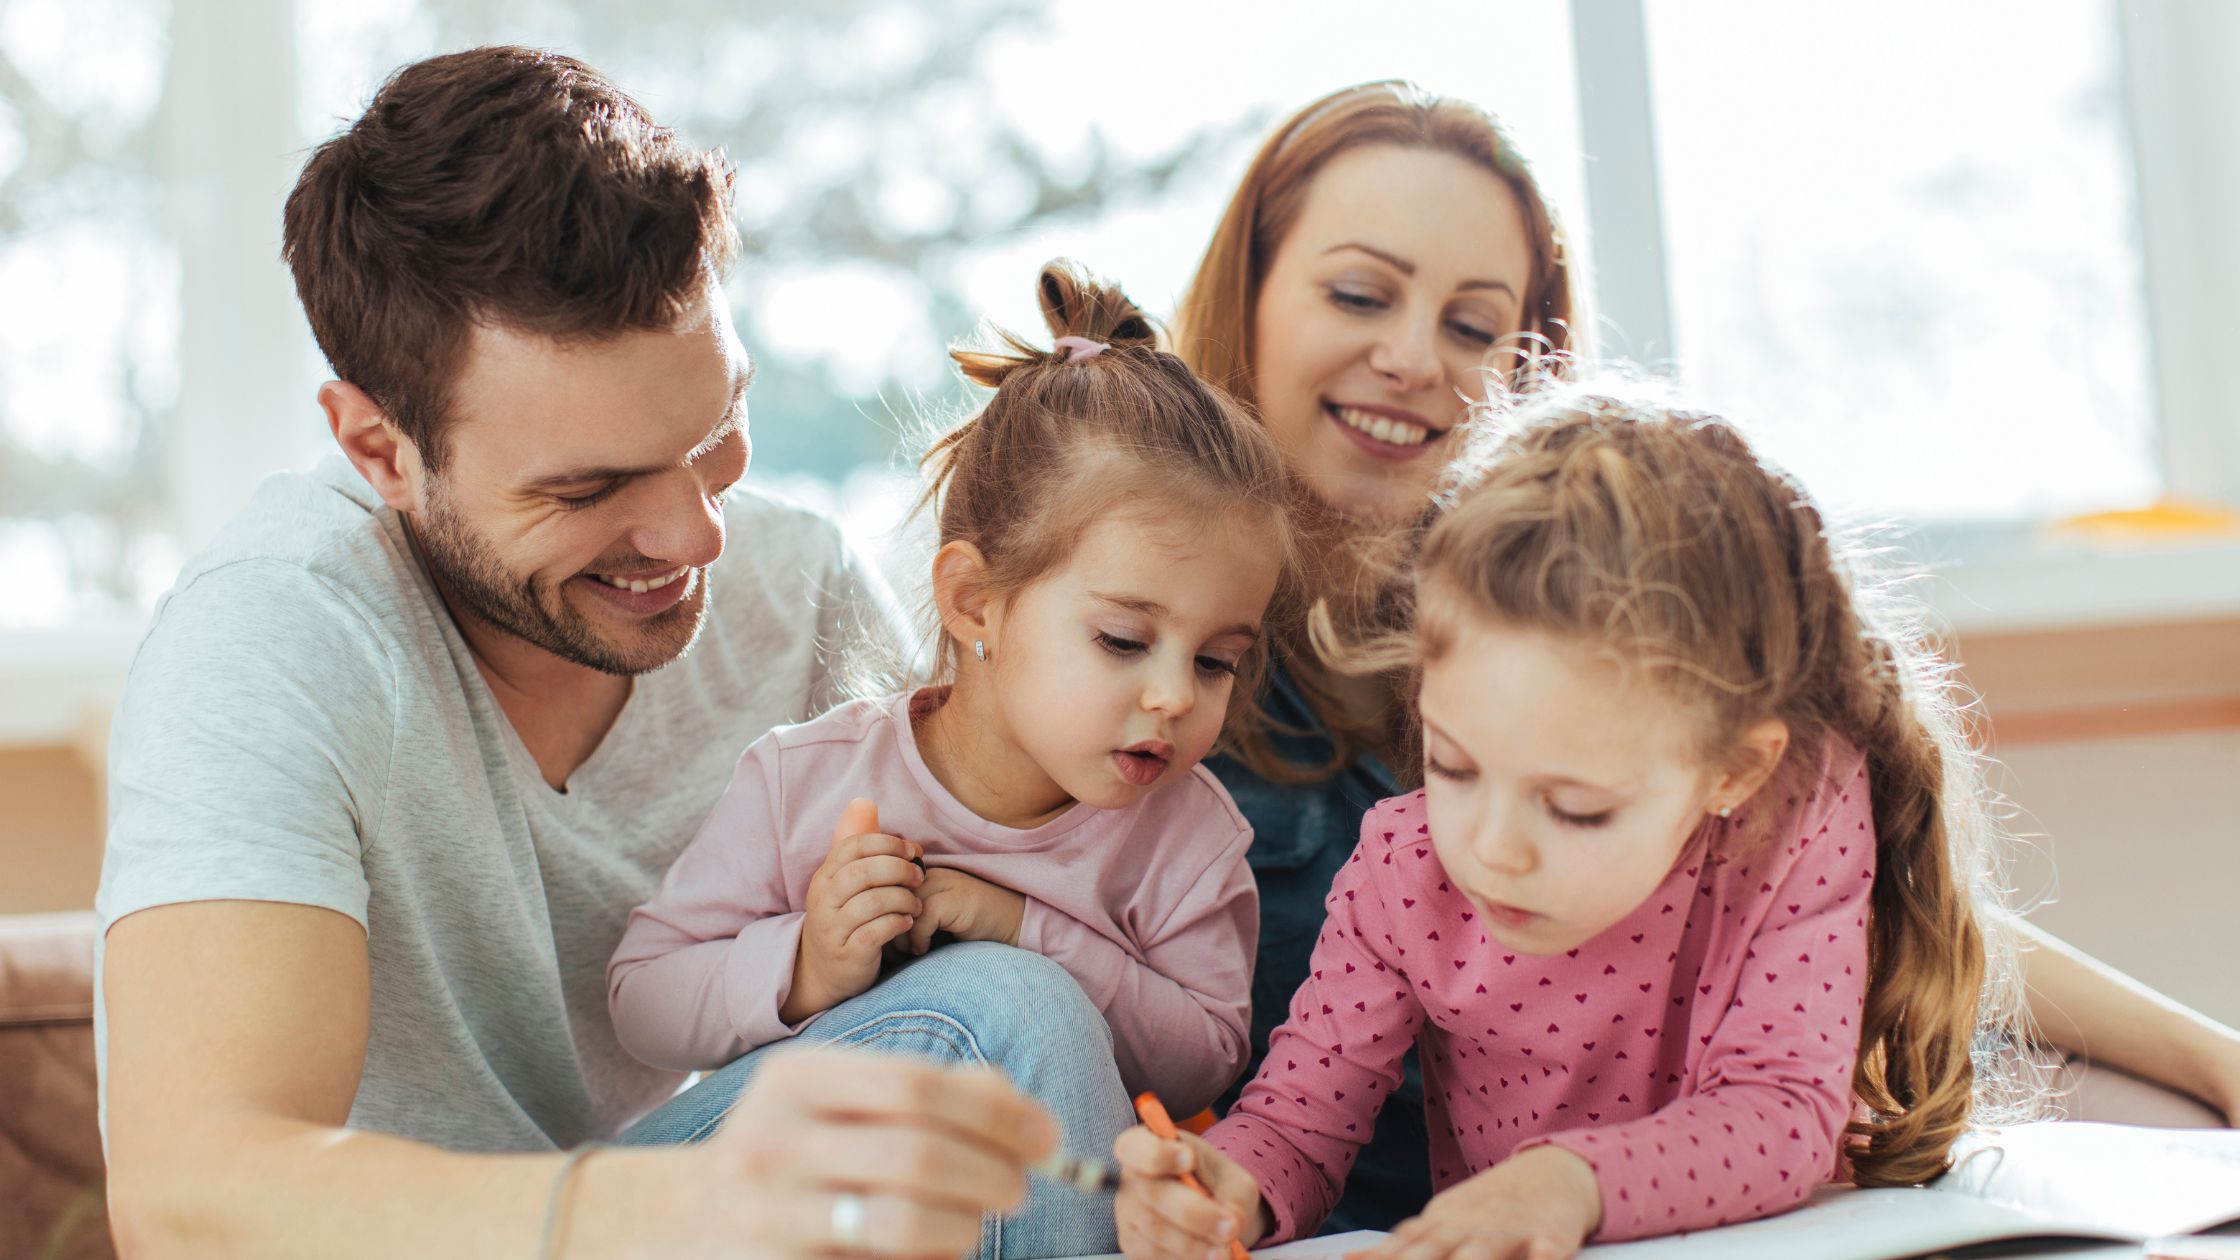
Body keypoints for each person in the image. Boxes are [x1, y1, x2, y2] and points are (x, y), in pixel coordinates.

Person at [1175, 80, 2240, 1230]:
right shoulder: (1151, 653)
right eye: (1356, 291)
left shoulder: (1686, 680)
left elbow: (1897, 911)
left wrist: (2213, 1059)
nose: (1409, 357)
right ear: (1251, 296)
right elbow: (1290, 1116)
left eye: (1472, 324)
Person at [95, 47, 1081, 1259]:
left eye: (717, 430)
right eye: (588, 487)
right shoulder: (272, 637)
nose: (694, 533)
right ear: (378, 449)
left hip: (668, 1209)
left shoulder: (795, 585)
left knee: (1004, 1013)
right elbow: (185, 1198)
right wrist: (670, 1212)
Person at [1112, 390, 2019, 1257]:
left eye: (1575, 808)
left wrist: (1564, 1183)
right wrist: (1222, 1187)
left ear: (1733, 771)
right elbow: (1297, 1127)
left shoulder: (1789, 820)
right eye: (1455, 768)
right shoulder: (1405, 865)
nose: (1493, 850)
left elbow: (1781, 1109)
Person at [605, 261, 1292, 1255]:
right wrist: (807, 963)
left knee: (1023, 1006)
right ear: (975, 604)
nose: (1174, 696)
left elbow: (1201, 1066)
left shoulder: (1186, 833)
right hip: (760, 1207)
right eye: (1122, 640)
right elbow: (643, 1004)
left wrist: (1021, 927)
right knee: (1001, 1012)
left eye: (1218, 659)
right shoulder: (811, 778)